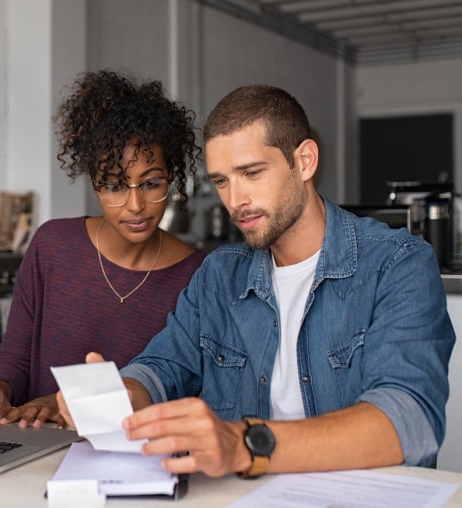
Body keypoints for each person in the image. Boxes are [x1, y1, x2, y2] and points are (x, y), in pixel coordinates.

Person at [58, 84, 456, 477]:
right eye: (222, 180)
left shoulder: (397, 263)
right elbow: (163, 366)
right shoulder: (219, 275)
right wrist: (123, 394)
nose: (235, 200)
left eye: (251, 173)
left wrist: (246, 445)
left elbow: (410, 420)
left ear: (304, 161)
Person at [0, 69, 205, 428]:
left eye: (151, 183)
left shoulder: (197, 276)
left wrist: (68, 404)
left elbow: (181, 389)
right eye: (114, 186)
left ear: (172, 178)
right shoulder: (51, 246)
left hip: (131, 459)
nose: (135, 206)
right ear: (94, 186)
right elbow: (16, 357)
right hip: (34, 445)